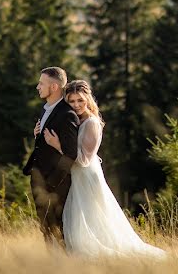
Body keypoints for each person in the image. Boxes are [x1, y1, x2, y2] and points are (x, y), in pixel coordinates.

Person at [45, 79, 166, 259]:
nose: (77, 105)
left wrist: (57, 145)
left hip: (86, 176)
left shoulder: (92, 123)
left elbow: (84, 159)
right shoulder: (73, 119)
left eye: (80, 100)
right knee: (78, 224)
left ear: (88, 100)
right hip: (75, 178)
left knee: (92, 222)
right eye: (72, 101)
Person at [22, 66, 80, 248]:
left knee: (57, 228)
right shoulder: (45, 109)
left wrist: (53, 183)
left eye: (41, 83)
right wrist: (36, 136)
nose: (38, 87)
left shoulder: (67, 114)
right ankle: (50, 264)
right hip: (39, 177)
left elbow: (71, 154)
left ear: (54, 87)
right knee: (44, 227)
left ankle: (65, 265)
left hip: (55, 183)